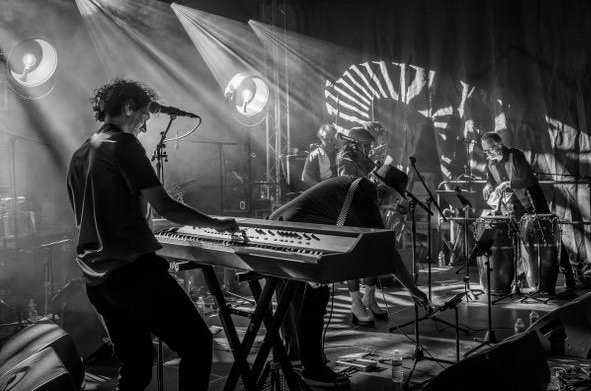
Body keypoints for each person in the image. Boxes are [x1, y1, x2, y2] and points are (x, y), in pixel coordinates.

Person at [66, 78, 239, 391]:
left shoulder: (80, 154)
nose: (145, 123)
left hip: (98, 279)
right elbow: (166, 206)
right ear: (129, 107)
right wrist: (215, 223)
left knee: (136, 369)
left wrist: (148, 225)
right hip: (132, 272)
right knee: (197, 344)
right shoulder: (123, 144)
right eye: (144, 113)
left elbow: (94, 215)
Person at [270, 164, 429, 388]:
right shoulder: (365, 190)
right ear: (381, 187)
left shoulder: (352, 186)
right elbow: (385, 250)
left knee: (294, 301)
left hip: (280, 232)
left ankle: (295, 358)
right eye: (390, 196)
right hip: (294, 237)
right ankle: (314, 371)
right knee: (315, 299)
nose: (389, 202)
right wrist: (412, 288)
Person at [480, 132, 576, 289]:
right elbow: (490, 180)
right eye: (485, 151)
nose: (487, 153)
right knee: (518, 242)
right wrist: (488, 185)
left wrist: (509, 184)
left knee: (550, 238)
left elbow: (528, 179)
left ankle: (568, 275)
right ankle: (521, 278)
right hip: (512, 207)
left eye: (489, 149)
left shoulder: (515, 155)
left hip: (532, 203)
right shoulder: (490, 163)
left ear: (499, 144)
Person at [334, 126, 388, 325]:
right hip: (352, 215)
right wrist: (370, 180)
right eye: (367, 145)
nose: (370, 149)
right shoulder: (347, 160)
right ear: (356, 145)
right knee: (354, 260)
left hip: (367, 212)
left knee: (373, 256)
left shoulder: (363, 160)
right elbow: (348, 185)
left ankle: (369, 298)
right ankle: (356, 303)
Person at [301, 123, 338, 188]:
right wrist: (320, 188)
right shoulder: (314, 155)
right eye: (326, 139)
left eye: (332, 139)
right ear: (321, 138)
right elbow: (305, 178)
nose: (329, 142)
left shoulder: (340, 152)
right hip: (323, 190)